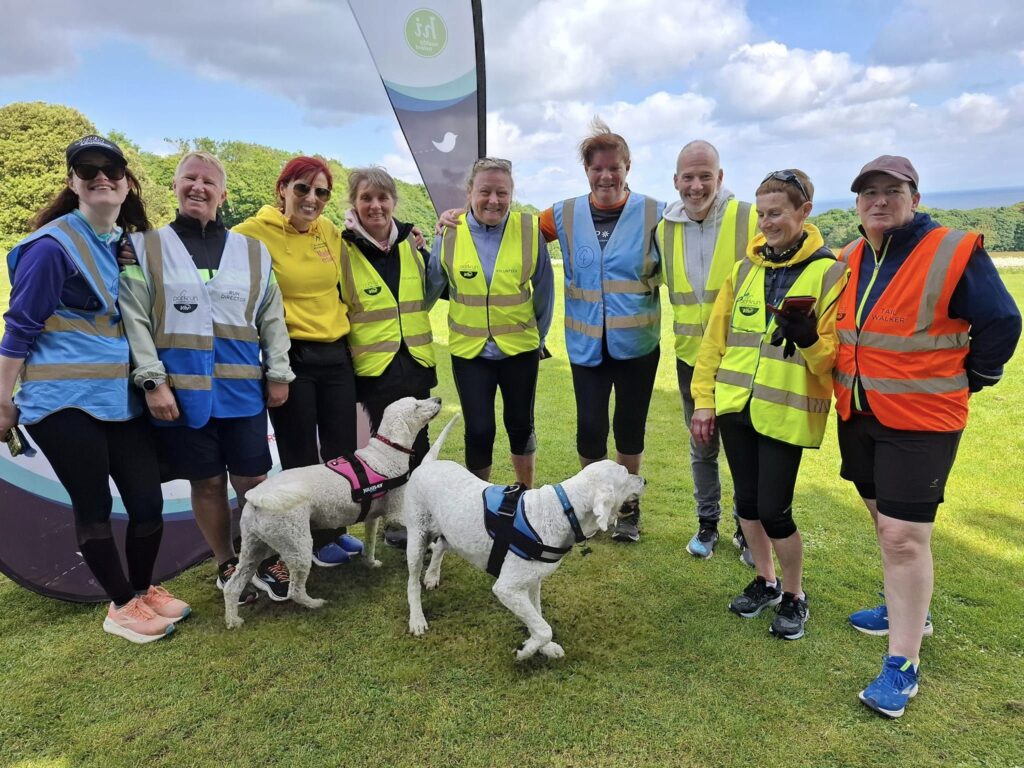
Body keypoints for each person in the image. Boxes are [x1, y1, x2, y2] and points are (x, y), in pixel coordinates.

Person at [833, 156, 1020, 717]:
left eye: (892, 191)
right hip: (860, 412)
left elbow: (1003, 321)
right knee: (883, 518)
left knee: (901, 536)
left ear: (914, 196)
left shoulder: (952, 250)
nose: (880, 201)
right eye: (869, 193)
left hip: (922, 421)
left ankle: (903, 663)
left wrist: (976, 378)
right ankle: (904, 608)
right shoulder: (851, 256)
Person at [0, 135, 189, 643]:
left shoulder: (120, 247)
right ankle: (123, 606)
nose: (101, 177)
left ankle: (144, 588)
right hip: (60, 404)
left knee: (147, 503)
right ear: (72, 182)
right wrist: (1, 399)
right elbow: (19, 328)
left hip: (117, 401)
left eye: (111, 169)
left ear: (127, 183)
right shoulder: (51, 247)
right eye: (88, 170)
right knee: (94, 508)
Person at [119, 151, 294, 603]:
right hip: (182, 395)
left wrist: (279, 372)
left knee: (254, 482)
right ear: (175, 186)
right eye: (189, 179)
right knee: (209, 482)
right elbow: (135, 320)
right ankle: (226, 561)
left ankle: (265, 555)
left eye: (208, 181)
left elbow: (272, 317)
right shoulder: (146, 247)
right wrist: (152, 382)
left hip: (244, 392)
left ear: (223, 193)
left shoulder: (253, 251)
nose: (198, 187)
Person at [691, 169, 849, 641]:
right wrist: (704, 402)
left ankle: (795, 595)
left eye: (776, 213)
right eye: (761, 214)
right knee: (747, 504)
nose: (766, 223)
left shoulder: (831, 271)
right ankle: (765, 580)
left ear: (804, 212)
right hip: (735, 407)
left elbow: (832, 360)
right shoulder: (742, 271)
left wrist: (809, 343)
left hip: (788, 411)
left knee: (776, 510)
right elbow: (713, 343)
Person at [233, 156, 366, 568]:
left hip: (336, 354)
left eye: (322, 191)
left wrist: (413, 234)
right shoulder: (250, 234)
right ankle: (305, 540)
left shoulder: (327, 230)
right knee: (300, 456)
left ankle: (334, 530)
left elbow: (369, 239)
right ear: (282, 189)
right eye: (303, 189)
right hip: (291, 358)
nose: (312, 199)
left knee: (342, 451)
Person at [544, 119, 663, 542]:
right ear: (586, 171)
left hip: (638, 346)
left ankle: (628, 510)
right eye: (597, 168)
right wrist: (460, 217)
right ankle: (589, 507)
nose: (606, 175)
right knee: (590, 429)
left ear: (628, 166)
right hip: (585, 346)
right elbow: (513, 233)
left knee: (630, 430)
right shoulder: (563, 213)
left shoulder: (656, 213)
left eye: (614, 167)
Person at [658, 140, 757, 563]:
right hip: (688, 359)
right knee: (702, 447)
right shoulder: (664, 227)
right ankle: (708, 524)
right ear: (676, 180)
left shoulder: (748, 217)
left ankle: (748, 531)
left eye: (705, 176)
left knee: (744, 451)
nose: (696, 186)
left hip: (742, 361)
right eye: (688, 177)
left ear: (720, 177)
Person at [339, 166, 445, 547]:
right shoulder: (341, 247)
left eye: (383, 197)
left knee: (419, 442)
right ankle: (396, 520)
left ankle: (422, 513)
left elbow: (438, 282)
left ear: (394, 202)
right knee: (386, 448)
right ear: (354, 203)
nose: (376, 205)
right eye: (366, 197)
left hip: (415, 360)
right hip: (374, 367)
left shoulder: (410, 243)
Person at [434, 158, 554, 488]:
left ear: (511, 194)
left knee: (520, 424)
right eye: (485, 191)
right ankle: (477, 502)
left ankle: (526, 495)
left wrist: (537, 338)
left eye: (502, 192)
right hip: (469, 353)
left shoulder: (529, 230)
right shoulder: (449, 233)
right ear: (469, 191)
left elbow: (544, 292)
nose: (494, 200)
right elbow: (430, 287)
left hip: (520, 351)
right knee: (479, 429)